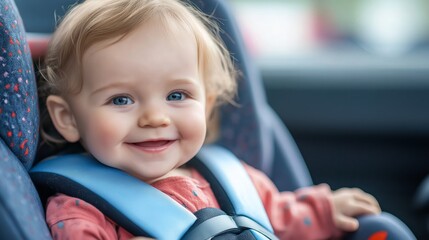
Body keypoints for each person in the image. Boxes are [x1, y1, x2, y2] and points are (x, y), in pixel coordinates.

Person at [39, 0, 381, 239]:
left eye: (176, 96)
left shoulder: (233, 179)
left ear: (206, 104)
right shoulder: (79, 209)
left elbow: (278, 217)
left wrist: (322, 210)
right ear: (67, 118)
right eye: (121, 99)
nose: (155, 117)